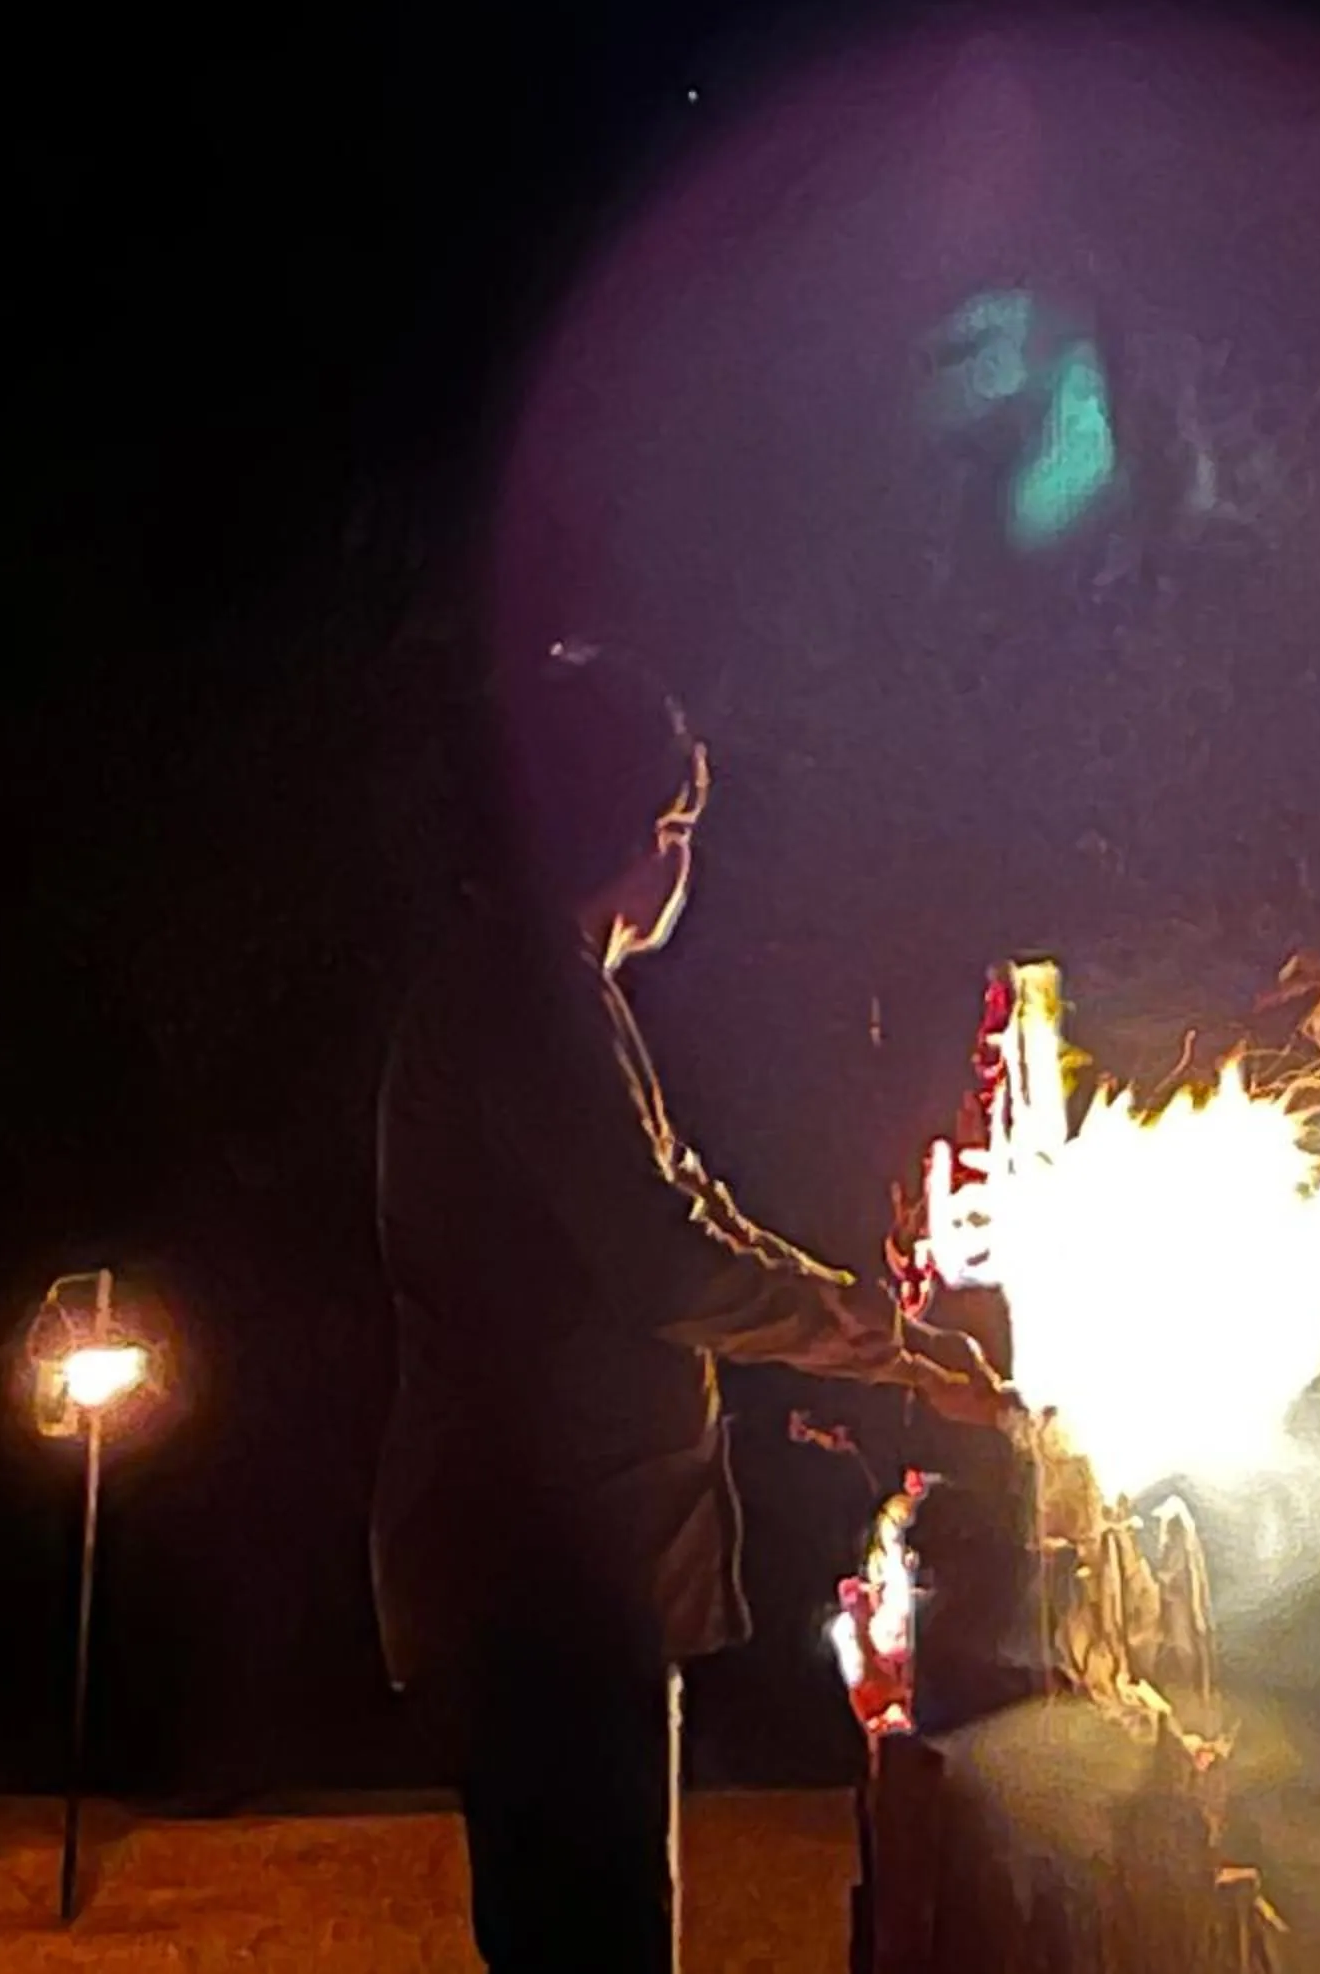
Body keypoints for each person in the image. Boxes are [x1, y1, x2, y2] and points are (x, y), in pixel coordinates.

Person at [372, 640, 1013, 1973]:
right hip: (544, 1570)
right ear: (642, 827)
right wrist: (889, 1348)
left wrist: (877, 1333)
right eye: (680, 825)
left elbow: (692, 1214)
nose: (685, 863)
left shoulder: (560, 998)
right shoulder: (530, 999)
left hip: (569, 1565)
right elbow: (668, 1263)